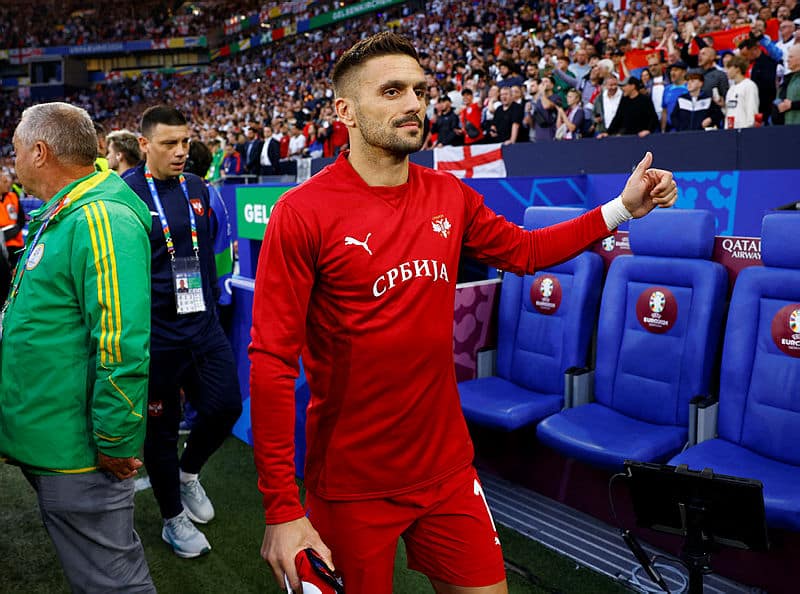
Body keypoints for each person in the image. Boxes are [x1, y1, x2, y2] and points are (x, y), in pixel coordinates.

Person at [250, 32, 677, 594]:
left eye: (420, 90)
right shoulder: (301, 212)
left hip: (446, 470)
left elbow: (525, 251)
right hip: (352, 484)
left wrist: (621, 208)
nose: (413, 104)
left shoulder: (448, 195)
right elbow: (271, 363)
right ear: (345, 112)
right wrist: (282, 508)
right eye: (393, 91)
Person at [0, 102, 154, 592]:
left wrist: (114, 440)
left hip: (81, 454)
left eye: (16, 150)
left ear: (40, 152)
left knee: (114, 584)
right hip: (55, 441)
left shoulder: (100, 217)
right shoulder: (69, 210)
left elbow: (120, 342)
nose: (13, 161)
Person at [125, 105, 242, 559]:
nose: (180, 151)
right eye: (169, 143)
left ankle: (188, 473)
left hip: (202, 324)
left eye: (185, 142)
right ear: (144, 144)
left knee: (226, 406)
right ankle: (172, 519)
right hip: (157, 335)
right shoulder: (126, 193)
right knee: (161, 430)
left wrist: (214, 300)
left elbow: (208, 249)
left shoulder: (197, 186)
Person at [724, 55, 760, 129]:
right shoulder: (731, 89)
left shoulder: (749, 85)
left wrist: (749, 129)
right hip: (730, 131)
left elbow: (752, 110)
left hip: (744, 131)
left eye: (729, 68)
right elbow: (728, 111)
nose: (726, 71)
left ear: (737, 69)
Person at [0, 168, 24, 267]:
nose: (8, 184)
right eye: (5, 182)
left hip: (16, 244)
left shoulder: (13, 196)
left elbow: (21, 219)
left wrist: (14, 230)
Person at [776, 45, 800, 124]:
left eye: (791, 57)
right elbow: (778, 98)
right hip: (787, 126)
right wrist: (778, 104)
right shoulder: (787, 78)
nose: (787, 60)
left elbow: (790, 104)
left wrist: (792, 105)